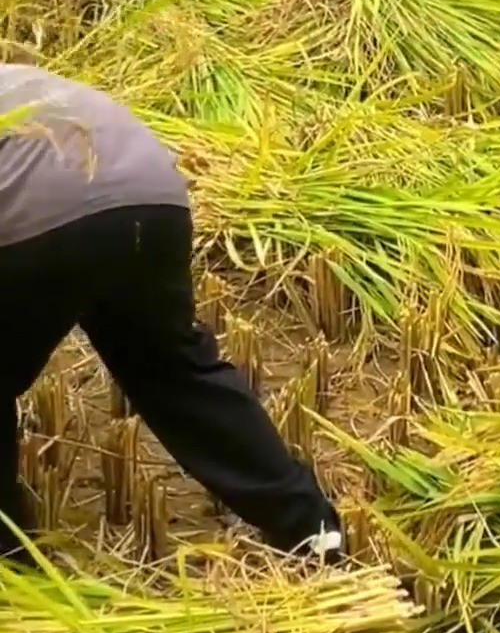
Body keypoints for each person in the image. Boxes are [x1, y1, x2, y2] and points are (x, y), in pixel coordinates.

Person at [0, 63, 343, 562]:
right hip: (153, 198)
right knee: (176, 372)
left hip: (46, 209)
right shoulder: (21, 81)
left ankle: (8, 559)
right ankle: (310, 529)